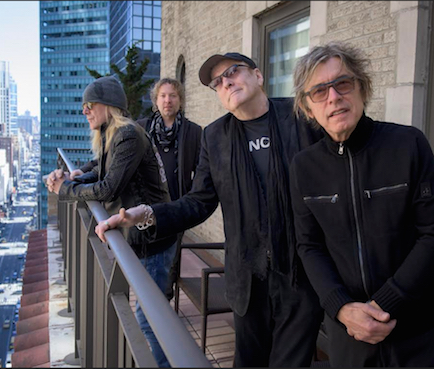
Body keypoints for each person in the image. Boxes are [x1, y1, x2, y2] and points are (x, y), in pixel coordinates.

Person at [95, 52, 324, 367]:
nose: (226, 82)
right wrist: (146, 214)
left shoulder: (301, 117)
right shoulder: (216, 136)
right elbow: (198, 202)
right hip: (247, 279)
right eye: (218, 82)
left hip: (301, 276)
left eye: (232, 72)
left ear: (258, 76)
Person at [289, 42, 434, 367]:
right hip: (350, 337)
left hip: (421, 334)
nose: (334, 97)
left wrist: (385, 303)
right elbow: (308, 246)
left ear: (362, 88)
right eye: (319, 91)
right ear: (309, 109)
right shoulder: (303, 167)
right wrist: (340, 307)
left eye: (343, 83)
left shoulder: (409, 145)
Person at [45, 75, 176, 367]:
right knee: (148, 315)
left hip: (152, 238)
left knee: (149, 319)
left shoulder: (127, 134)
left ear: (110, 105)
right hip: (140, 236)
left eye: (90, 104)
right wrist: (69, 177)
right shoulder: (112, 135)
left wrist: (65, 189)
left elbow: (108, 189)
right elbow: (103, 174)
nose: (85, 111)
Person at [138, 78, 202, 300]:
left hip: (176, 207)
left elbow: (202, 170)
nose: (168, 100)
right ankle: (148, 301)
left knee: (169, 261)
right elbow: (117, 158)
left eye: (173, 95)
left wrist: (192, 198)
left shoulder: (193, 132)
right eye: (163, 96)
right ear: (156, 100)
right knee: (147, 258)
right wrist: (84, 172)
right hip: (145, 206)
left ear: (180, 100)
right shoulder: (141, 128)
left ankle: (163, 302)